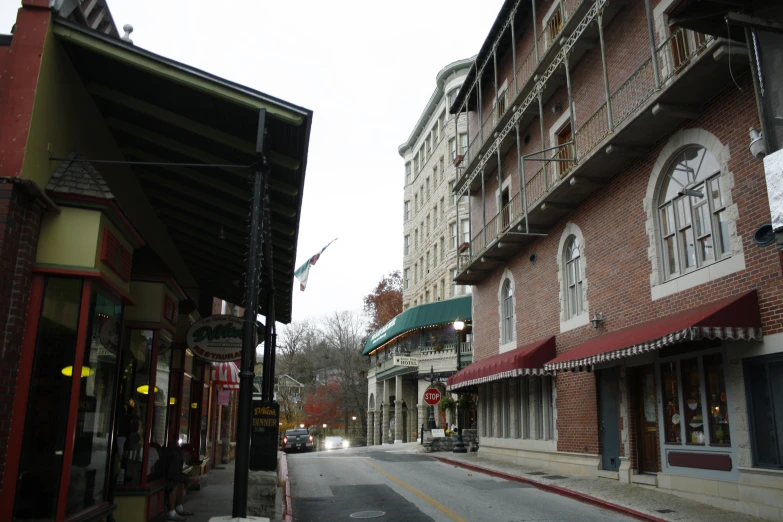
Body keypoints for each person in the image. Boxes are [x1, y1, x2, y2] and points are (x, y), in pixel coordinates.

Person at [164, 442, 194, 520]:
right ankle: (172, 512)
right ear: (184, 451)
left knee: (180, 483)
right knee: (174, 484)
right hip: (161, 478)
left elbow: (177, 474)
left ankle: (179, 508)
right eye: (189, 454)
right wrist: (189, 478)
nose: (189, 457)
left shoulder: (178, 457)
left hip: (167, 476)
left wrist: (187, 478)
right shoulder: (176, 457)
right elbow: (173, 476)